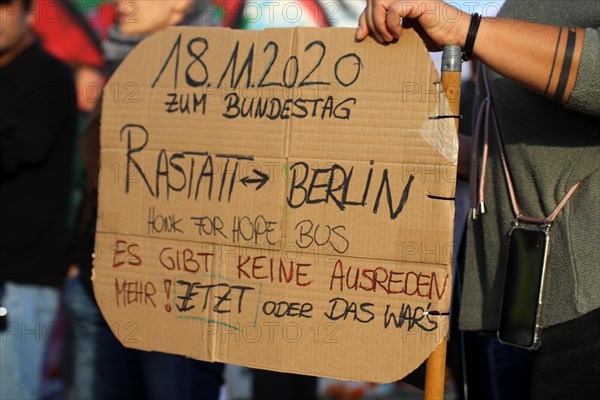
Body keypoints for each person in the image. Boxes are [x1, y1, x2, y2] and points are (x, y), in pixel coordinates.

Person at [356, 1, 599, 399]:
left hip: (581, 313)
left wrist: (467, 31)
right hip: (501, 305)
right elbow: (529, 157)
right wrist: (421, 151)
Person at [66, 1, 224, 399]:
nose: (121, 3)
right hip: (97, 287)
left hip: (177, 299)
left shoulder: (222, 75)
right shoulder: (117, 66)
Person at [0, 0, 77, 398]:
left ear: (28, 12)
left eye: (4, 6)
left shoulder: (45, 76)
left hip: (19, 282)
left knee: (11, 389)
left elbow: (14, 152)